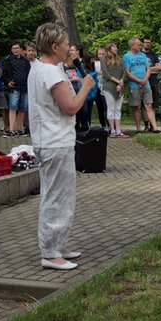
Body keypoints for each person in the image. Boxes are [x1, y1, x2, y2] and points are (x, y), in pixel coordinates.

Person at [28, 22, 94, 270]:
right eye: (66, 43)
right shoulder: (51, 73)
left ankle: (59, 244)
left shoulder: (41, 68)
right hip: (54, 142)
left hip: (52, 140)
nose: (69, 47)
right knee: (55, 197)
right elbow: (70, 108)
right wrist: (85, 88)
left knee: (62, 195)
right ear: (54, 46)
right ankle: (49, 252)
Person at [124, 37, 161, 133]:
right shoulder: (127, 56)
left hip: (146, 84)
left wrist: (145, 79)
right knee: (137, 107)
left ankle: (155, 127)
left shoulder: (143, 55)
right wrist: (138, 81)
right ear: (132, 46)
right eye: (138, 45)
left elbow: (148, 68)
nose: (140, 46)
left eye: (141, 45)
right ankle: (138, 128)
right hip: (134, 85)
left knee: (149, 105)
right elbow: (128, 72)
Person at [3, 41, 32, 137]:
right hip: (14, 87)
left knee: (23, 108)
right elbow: (4, 74)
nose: (15, 50)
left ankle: (20, 129)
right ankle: (11, 130)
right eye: (13, 48)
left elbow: (29, 73)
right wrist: (8, 82)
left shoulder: (26, 61)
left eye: (17, 48)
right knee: (13, 107)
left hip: (25, 87)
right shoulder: (8, 60)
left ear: (21, 49)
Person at [100, 42, 128, 138]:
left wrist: (121, 82)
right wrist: (117, 82)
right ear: (109, 49)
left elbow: (124, 72)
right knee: (111, 108)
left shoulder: (119, 60)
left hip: (119, 87)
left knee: (118, 109)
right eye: (114, 47)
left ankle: (118, 130)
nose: (116, 48)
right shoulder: (104, 59)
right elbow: (105, 73)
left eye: (116, 47)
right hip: (109, 87)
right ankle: (112, 130)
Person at [141, 36, 161, 128]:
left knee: (153, 104)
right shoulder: (140, 54)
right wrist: (152, 69)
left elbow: (159, 68)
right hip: (144, 81)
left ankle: (153, 125)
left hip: (153, 81)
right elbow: (141, 69)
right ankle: (146, 124)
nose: (147, 44)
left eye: (149, 42)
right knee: (145, 105)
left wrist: (148, 69)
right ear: (142, 43)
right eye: (146, 42)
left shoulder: (153, 54)